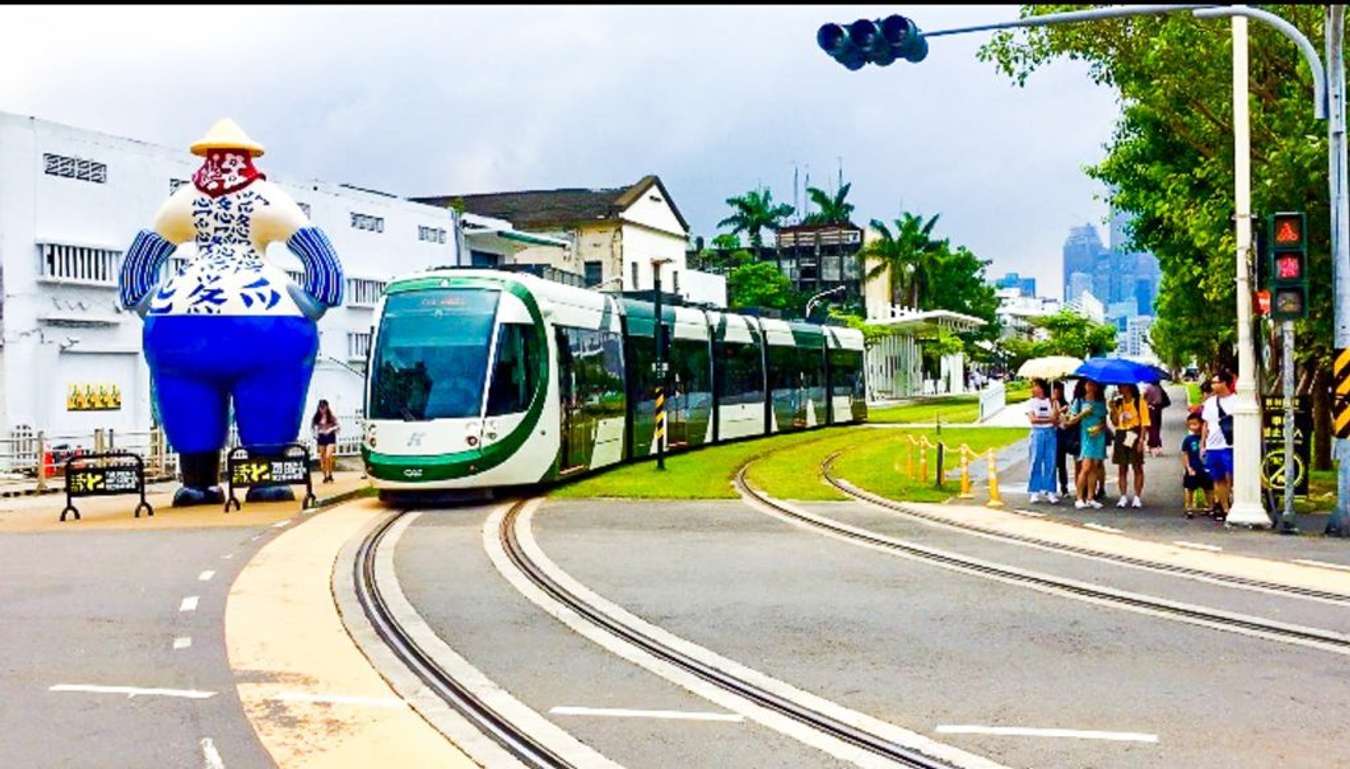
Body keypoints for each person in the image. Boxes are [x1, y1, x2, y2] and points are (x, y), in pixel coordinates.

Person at [1062, 377, 1108, 509]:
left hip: (1098, 436)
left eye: (1094, 385)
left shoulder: (1100, 402)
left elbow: (1104, 420)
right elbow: (1070, 421)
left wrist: (1099, 427)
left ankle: (1090, 497)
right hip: (1085, 436)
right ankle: (1079, 497)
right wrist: (1083, 413)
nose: (1091, 387)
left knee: (1095, 466)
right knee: (1085, 467)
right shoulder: (1079, 401)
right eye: (1088, 384)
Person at [1200, 369, 1237, 520]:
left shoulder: (1237, 401)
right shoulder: (1210, 402)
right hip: (1212, 445)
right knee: (1218, 478)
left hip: (1230, 445)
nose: (1213, 385)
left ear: (1225, 383)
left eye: (1216, 382)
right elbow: (1206, 424)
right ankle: (1224, 508)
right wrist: (1203, 444)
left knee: (1232, 476)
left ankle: (1234, 503)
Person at [1109, 383, 1150, 508]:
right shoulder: (1118, 402)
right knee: (1122, 467)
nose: (1120, 388)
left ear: (1129, 387)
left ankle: (1137, 496)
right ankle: (1123, 496)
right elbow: (1115, 423)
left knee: (1137, 466)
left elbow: (1144, 422)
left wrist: (1141, 440)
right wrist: (1113, 409)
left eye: (1122, 386)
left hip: (1134, 432)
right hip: (1121, 433)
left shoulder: (1139, 401)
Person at [1024, 378, 1059, 503]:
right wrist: (1049, 420)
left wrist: (1055, 401)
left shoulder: (1050, 401)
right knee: (1036, 460)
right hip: (1038, 432)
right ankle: (1034, 490)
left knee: (1051, 461)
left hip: (1050, 433)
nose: (1033, 389)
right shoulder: (1031, 403)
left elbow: (1056, 417)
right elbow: (1033, 419)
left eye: (1036, 386)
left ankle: (1050, 490)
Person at [1180, 412, 1214, 518]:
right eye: (1190, 425)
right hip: (1193, 468)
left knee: (1208, 488)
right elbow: (1185, 454)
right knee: (1190, 488)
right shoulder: (1188, 439)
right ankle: (1189, 507)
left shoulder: (1209, 438)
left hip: (1206, 468)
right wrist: (1188, 467)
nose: (1192, 427)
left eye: (1195, 424)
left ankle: (1211, 506)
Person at [1052, 380, 1079, 497]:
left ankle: (1065, 487)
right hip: (1055, 435)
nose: (1056, 392)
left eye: (1058, 390)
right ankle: (1054, 487)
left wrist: (1061, 411)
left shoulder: (1066, 404)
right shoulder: (1050, 403)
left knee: (1064, 462)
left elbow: (1067, 419)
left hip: (1065, 435)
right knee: (1058, 463)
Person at [311, 399, 340, 483]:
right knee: (322, 457)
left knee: (328, 456)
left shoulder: (331, 417)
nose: (322, 409)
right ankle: (325, 476)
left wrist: (330, 429)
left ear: (327, 407)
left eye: (324, 407)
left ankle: (330, 474)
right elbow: (313, 428)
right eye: (320, 407)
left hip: (330, 437)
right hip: (321, 437)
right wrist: (316, 434)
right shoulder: (316, 417)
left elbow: (338, 426)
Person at [1143, 381, 1170, 457]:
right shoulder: (1159, 388)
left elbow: (1144, 398)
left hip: (1151, 409)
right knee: (1157, 427)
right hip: (1158, 409)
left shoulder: (1148, 388)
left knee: (1152, 428)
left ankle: (1153, 445)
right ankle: (1156, 445)